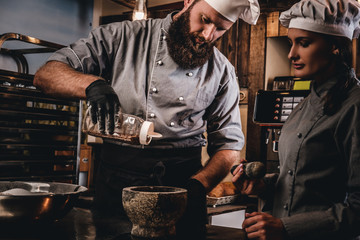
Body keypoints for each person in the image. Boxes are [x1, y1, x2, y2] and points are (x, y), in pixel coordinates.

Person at [34, 0, 260, 238]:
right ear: (188, 2)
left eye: (220, 29)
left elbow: (229, 145)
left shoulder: (222, 70)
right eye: (204, 19)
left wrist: (199, 184)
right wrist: (91, 84)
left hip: (184, 187)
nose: (207, 34)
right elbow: (46, 75)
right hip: (118, 184)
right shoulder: (122, 36)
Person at [232, 0, 360, 239]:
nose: (291, 54)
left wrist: (285, 228)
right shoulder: (308, 101)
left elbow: (357, 209)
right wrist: (263, 186)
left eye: (304, 43)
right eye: (291, 43)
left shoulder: (354, 106)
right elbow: (299, 180)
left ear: (335, 46)